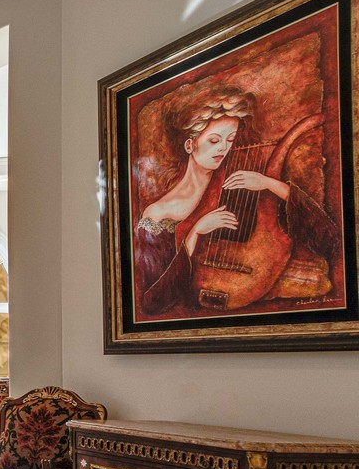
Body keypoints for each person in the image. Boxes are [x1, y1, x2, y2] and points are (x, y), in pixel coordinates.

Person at [134, 88, 336, 315]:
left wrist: (269, 183)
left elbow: (328, 240)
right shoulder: (158, 213)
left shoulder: (239, 178)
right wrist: (196, 232)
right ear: (190, 145)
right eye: (214, 140)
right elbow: (153, 303)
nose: (223, 148)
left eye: (230, 139)